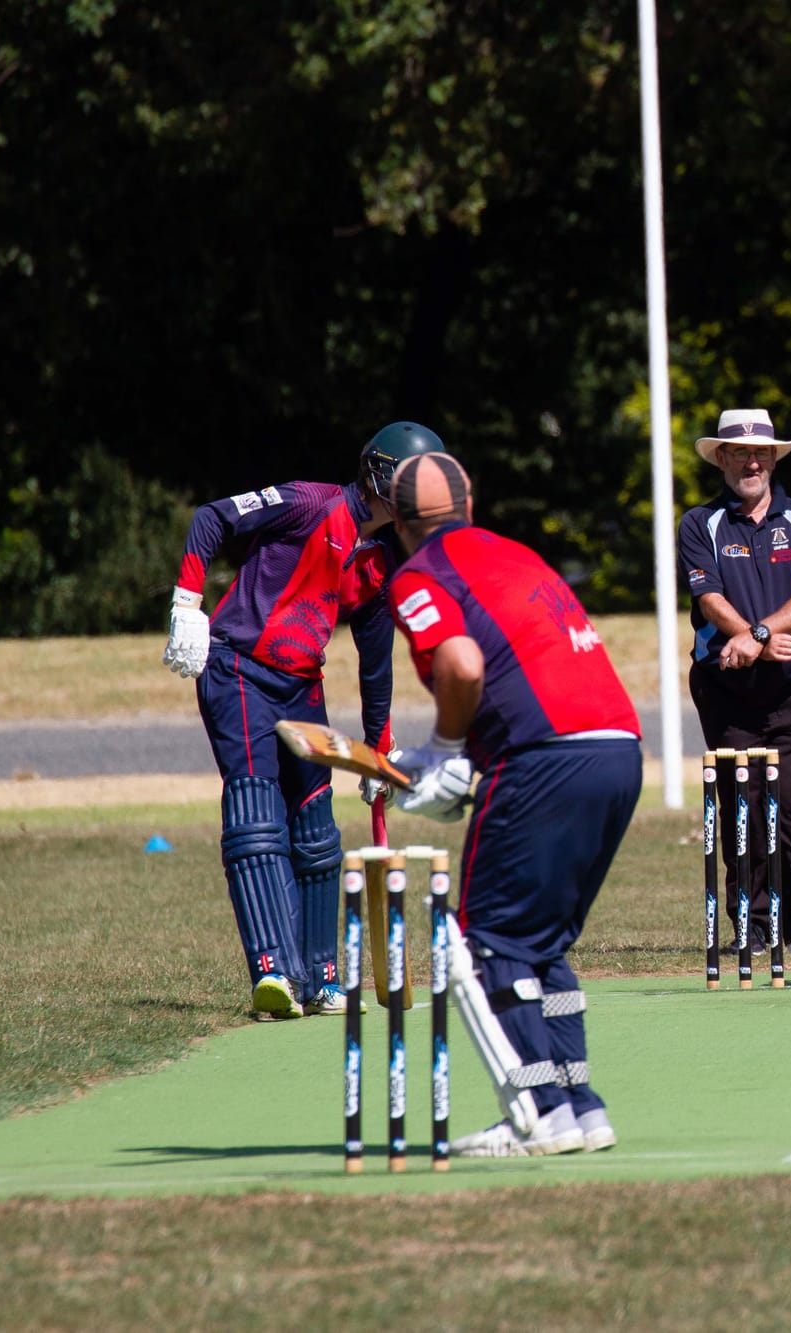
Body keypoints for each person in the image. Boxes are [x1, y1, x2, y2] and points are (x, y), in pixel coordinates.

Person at [385, 451, 643, 1157]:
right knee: (541, 943)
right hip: (618, 746)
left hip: (544, 754)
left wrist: (441, 750)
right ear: (471, 501)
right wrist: (452, 755)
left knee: (488, 940)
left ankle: (537, 1109)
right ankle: (581, 1107)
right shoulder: (514, 552)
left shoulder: (417, 572)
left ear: (398, 520)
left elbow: (463, 663)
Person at [163, 422, 445, 1020]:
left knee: (317, 832)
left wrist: (378, 748)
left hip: (301, 684)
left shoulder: (382, 562)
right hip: (238, 667)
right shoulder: (310, 502)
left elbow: (376, 662)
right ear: (381, 477)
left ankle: (321, 977)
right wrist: (187, 603)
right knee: (257, 819)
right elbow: (212, 517)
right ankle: (274, 972)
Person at [676, 408, 791, 956]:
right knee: (741, 801)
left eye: (761, 452)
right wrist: (753, 640)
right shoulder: (699, 523)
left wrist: (759, 634)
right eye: (740, 452)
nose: (752, 461)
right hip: (726, 689)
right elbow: (708, 598)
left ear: (773, 458)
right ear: (721, 458)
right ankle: (748, 925)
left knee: (787, 802)